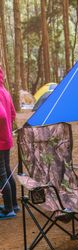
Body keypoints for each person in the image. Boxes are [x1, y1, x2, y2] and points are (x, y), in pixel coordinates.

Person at [0, 67, 18, 219]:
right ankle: (14, 205)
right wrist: (7, 131)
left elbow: (3, 115)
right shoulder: (4, 91)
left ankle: (8, 209)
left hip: (1, 140)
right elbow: (12, 114)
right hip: (6, 138)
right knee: (6, 170)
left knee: (1, 174)